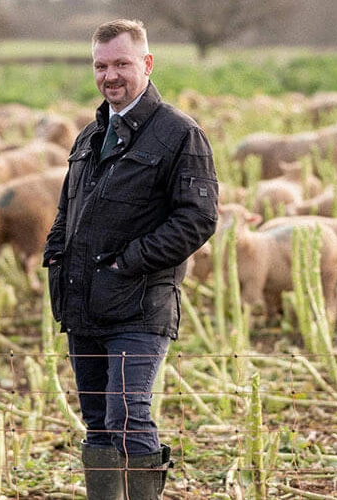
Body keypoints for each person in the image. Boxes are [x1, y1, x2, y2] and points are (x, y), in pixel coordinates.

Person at [43, 19, 219, 500]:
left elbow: (198, 218)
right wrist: (56, 254)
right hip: (83, 305)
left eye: (121, 63)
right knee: (98, 419)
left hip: (140, 305)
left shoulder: (179, 134)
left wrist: (129, 263)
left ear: (146, 63)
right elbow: (67, 209)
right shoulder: (90, 135)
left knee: (128, 411)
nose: (110, 76)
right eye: (101, 66)